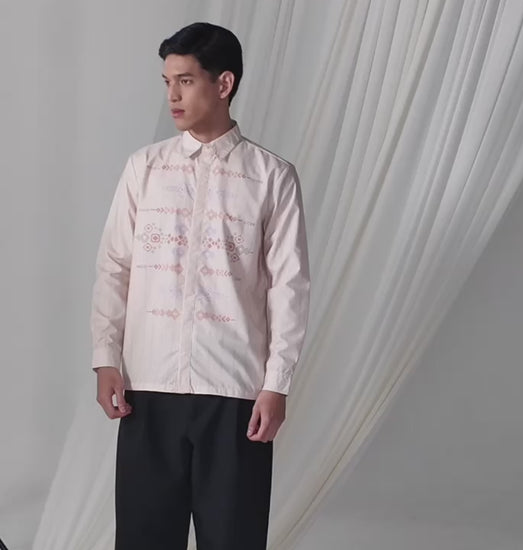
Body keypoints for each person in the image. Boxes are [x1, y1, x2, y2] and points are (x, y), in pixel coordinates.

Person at [90, 21, 310, 550]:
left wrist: (276, 383)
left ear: (224, 83)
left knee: (233, 538)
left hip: (234, 392)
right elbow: (115, 266)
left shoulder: (272, 177)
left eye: (185, 81)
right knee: (144, 539)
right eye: (167, 82)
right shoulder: (144, 169)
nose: (172, 95)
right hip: (148, 386)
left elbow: (289, 286)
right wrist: (105, 359)